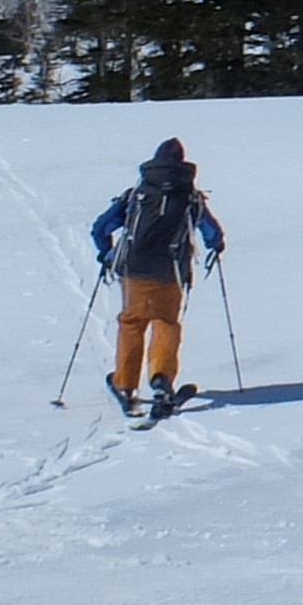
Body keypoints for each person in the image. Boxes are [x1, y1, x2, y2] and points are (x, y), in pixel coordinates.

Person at [89, 136, 226, 425]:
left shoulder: (137, 194)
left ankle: (125, 384)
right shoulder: (190, 196)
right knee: (166, 324)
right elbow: (211, 232)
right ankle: (162, 380)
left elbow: (100, 228)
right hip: (171, 271)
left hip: (134, 270)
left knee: (132, 323)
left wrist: (106, 254)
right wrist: (216, 245)